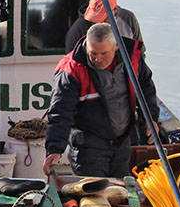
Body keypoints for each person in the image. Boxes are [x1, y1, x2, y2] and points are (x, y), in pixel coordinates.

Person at [44, 23, 159, 178]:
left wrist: (151, 119)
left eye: (104, 53)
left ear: (116, 46)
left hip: (122, 142)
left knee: (121, 193)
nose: (98, 59)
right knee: (94, 196)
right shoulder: (71, 69)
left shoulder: (133, 60)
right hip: (89, 147)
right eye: (93, 54)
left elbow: (146, 87)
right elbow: (60, 110)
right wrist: (55, 149)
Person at [64, 0, 143, 53]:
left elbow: (139, 51)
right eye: (94, 17)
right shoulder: (77, 30)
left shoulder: (129, 19)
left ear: (115, 10)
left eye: (103, 18)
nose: (98, 22)